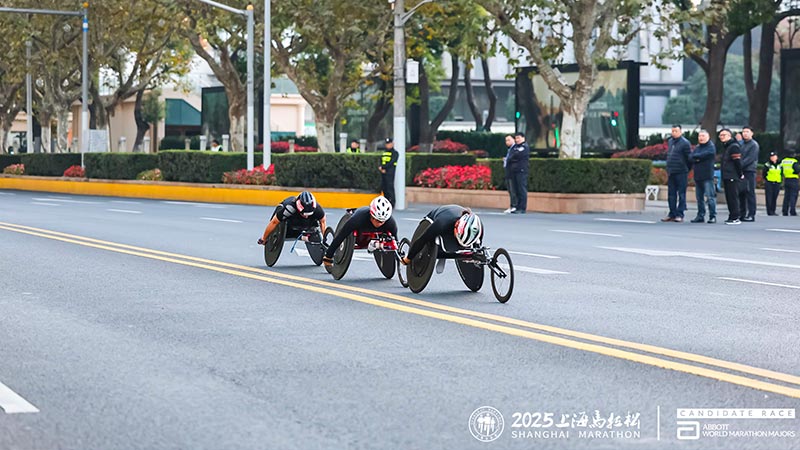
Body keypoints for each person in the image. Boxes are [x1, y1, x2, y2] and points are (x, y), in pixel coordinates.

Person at [323, 196, 398, 267]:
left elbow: (396, 241)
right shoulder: (357, 220)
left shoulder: (390, 222)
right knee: (345, 232)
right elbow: (341, 236)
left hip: (373, 237)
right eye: (378, 220)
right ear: (372, 216)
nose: (380, 223)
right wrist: (328, 256)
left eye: (383, 221)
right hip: (360, 230)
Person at [400, 205, 483, 265]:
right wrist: (408, 258)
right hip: (436, 217)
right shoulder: (441, 224)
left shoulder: (478, 227)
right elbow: (422, 239)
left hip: (455, 216)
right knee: (429, 237)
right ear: (456, 225)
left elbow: (478, 246)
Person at [257, 191, 326, 245]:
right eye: (304, 214)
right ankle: (298, 235)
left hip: (306, 222)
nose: (306, 216)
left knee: (311, 221)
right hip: (291, 219)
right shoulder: (290, 208)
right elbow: (274, 222)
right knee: (290, 225)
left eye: (309, 214)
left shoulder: (317, 209)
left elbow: (322, 222)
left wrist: (324, 239)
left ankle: (305, 236)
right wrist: (264, 238)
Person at [662, 125, 692, 222]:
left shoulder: (685, 143)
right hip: (671, 171)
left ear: (680, 132)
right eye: (672, 131)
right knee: (671, 194)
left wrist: (687, 168)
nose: (673, 133)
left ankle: (680, 214)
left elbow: (689, 158)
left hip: (681, 171)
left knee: (682, 194)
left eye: (676, 131)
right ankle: (672, 213)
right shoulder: (670, 141)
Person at [690, 129, 717, 224]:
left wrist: (697, 158)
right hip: (698, 176)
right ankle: (700, 215)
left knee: (710, 197)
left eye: (703, 136)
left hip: (707, 176)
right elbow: (691, 157)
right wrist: (697, 158)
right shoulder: (697, 147)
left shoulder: (711, 147)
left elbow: (705, 155)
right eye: (699, 136)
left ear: (708, 137)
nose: (701, 138)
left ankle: (712, 216)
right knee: (699, 198)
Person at [719, 128, 745, 225]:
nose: (722, 137)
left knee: (733, 196)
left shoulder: (733, 146)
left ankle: (735, 216)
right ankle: (731, 215)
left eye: (724, 135)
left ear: (729, 136)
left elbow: (737, 162)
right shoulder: (726, 146)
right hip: (726, 175)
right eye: (721, 135)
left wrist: (740, 173)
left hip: (732, 175)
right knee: (729, 197)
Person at [739, 126, 759, 221]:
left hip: (749, 171)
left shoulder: (754, 145)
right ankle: (742, 213)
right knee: (741, 193)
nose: (745, 133)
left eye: (747, 132)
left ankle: (751, 214)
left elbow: (749, 159)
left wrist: (739, 165)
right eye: (743, 132)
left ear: (752, 133)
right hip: (741, 171)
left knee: (750, 192)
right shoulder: (741, 144)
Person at [507, 132, 531, 214]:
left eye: (519, 138)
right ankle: (517, 206)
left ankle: (522, 207)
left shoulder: (525, 147)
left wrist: (513, 157)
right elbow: (510, 156)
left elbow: (516, 156)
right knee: (515, 189)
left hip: (521, 170)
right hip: (514, 171)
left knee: (521, 189)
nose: (517, 140)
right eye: (516, 138)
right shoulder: (515, 147)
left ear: (523, 138)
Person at [379, 138, 398, 207]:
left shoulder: (395, 153)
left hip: (390, 173)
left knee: (390, 188)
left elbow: (391, 162)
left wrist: (384, 167)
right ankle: (386, 202)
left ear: (392, 144)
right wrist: (380, 167)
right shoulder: (384, 152)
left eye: (389, 144)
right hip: (383, 173)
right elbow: (380, 160)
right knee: (384, 188)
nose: (388, 145)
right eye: (387, 144)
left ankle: (392, 203)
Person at [502, 135, 517, 214]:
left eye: (508, 140)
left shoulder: (515, 149)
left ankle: (514, 206)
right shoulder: (510, 149)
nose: (507, 142)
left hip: (512, 172)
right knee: (510, 190)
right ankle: (512, 205)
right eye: (506, 140)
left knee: (513, 190)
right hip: (508, 172)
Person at [781, 150, 800, 216]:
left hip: (786, 179)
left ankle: (784, 211)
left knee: (786, 196)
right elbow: (797, 170)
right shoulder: (794, 161)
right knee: (793, 196)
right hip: (794, 179)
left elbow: (781, 170)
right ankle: (792, 211)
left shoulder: (783, 161)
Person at [763, 152, 782, 216]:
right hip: (769, 183)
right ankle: (769, 211)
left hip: (777, 182)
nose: (773, 158)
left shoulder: (780, 165)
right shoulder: (767, 165)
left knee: (774, 197)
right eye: (771, 157)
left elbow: (781, 173)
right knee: (769, 198)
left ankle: (773, 210)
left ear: (776, 157)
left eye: (774, 156)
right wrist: (767, 180)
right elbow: (764, 174)